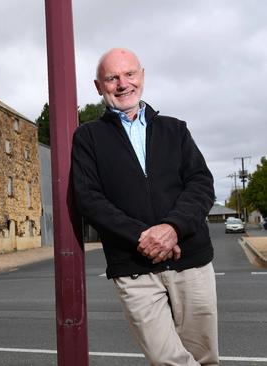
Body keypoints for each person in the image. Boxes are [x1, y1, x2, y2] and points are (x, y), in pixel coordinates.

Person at [71, 48, 219, 365]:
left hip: (190, 261)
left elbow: (201, 184)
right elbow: (88, 198)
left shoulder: (175, 130)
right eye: (112, 78)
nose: (123, 84)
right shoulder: (87, 137)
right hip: (134, 268)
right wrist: (144, 237)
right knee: (167, 360)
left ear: (142, 76)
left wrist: (172, 228)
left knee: (203, 358)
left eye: (129, 74)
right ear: (99, 86)